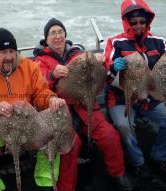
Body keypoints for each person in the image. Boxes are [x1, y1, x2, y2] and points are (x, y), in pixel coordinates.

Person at [34, 18, 133, 191]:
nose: (57, 36)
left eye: (60, 32)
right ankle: (67, 188)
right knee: (71, 146)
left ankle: (118, 174)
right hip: (60, 112)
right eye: (53, 33)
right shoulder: (39, 61)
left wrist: (100, 60)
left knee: (110, 135)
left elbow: (102, 73)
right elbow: (37, 87)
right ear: (46, 39)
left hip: (85, 105)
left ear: (65, 35)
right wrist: (52, 75)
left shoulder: (78, 54)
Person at [0, 28, 66, 191]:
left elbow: (40, 93)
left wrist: (51, 99)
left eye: (12, 51)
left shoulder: (30, 67)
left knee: (52, 135)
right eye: (3, 52)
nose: (9, 57)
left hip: (26, 123)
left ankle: (45, 182)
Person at [103, 0, 166, 178]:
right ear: (127, 22)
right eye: (133, 22)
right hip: (121, 97)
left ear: (147, 21)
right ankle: (138, 162)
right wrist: (112, 68)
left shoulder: (159, 42)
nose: (138, 26)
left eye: (142, 21)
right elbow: (105, 74)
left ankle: (160, 156)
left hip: (150, 97)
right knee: (123, 126)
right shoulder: (115, 43)